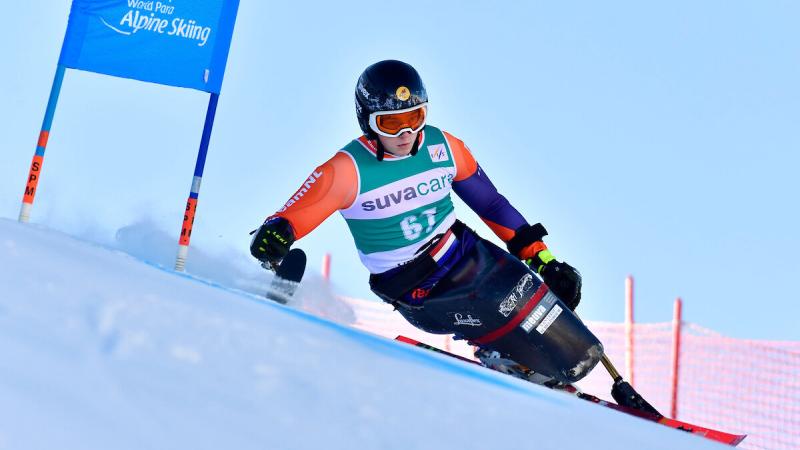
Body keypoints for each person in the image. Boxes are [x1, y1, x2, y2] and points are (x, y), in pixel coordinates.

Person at [250, 60, 593, 381]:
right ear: (367, 121)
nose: (407, 132)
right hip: (407, 280)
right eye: (391, 123)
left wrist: (544, 259)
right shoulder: (346, 171)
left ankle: (581, 365)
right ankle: (504, 355)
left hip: (464, 249)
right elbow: (287, 220)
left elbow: (491, 204)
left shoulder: (444, 146)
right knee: (490, 301)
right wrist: (273, 239)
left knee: (532, 291)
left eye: (415, 117)